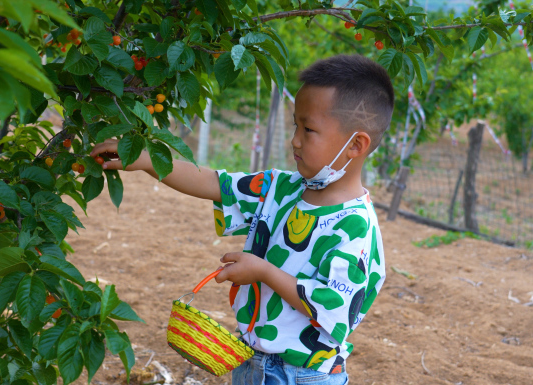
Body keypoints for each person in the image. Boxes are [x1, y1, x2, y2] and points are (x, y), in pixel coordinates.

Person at [89, 54, 393, 385]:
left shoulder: (354, 227)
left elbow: (333, 310)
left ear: (356, 144)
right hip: (249, 360)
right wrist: (148, 161)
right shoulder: (279, 188)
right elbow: (213, 183)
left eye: (309, 129)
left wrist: (263, 271)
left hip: (304, 374)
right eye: (296, 125)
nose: (295, 139)